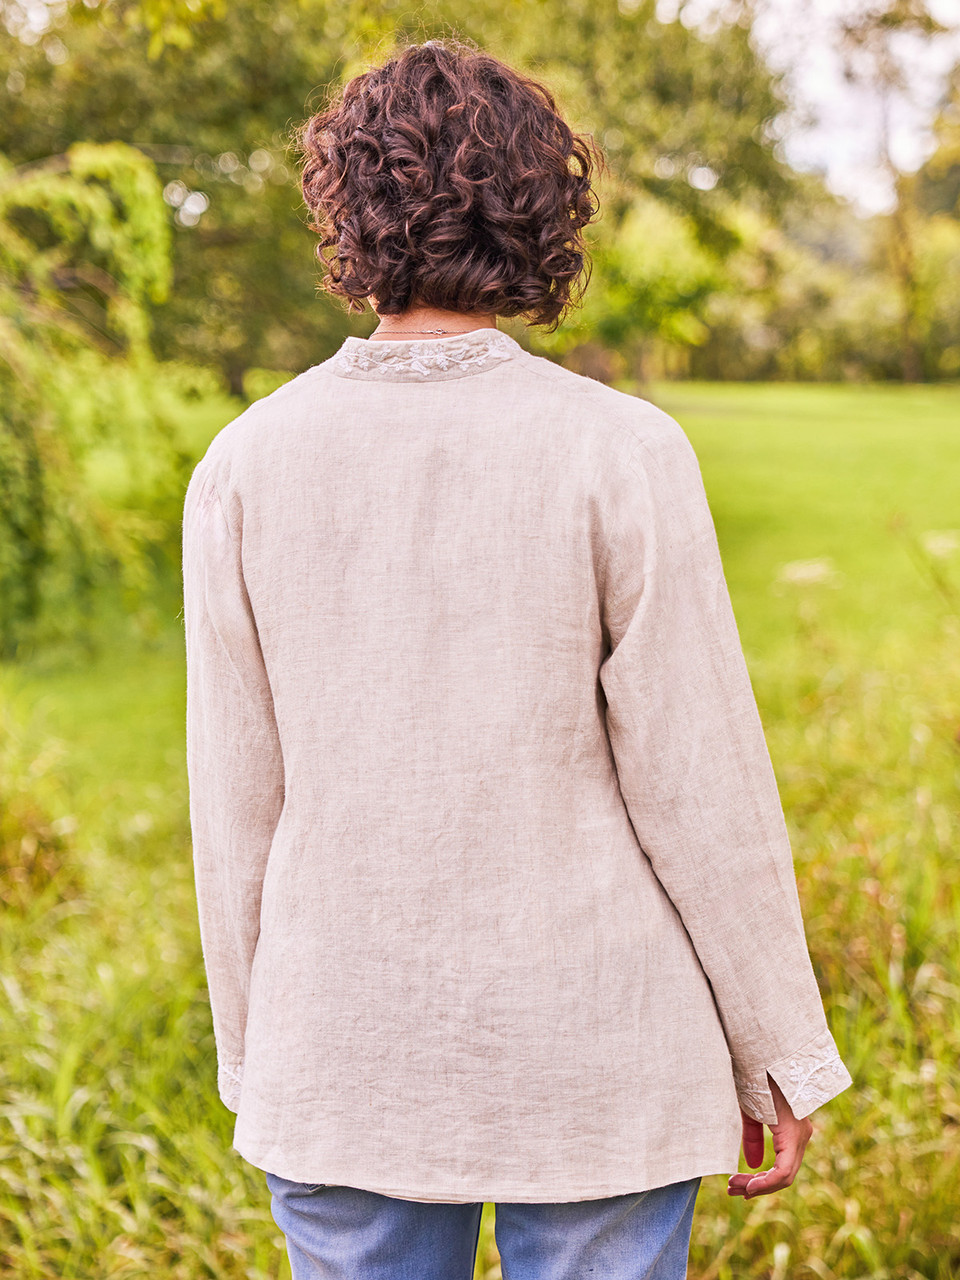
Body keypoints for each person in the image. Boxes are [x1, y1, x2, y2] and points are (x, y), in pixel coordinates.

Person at [181, 36, 852, 1280]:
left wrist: (258, 1054)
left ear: (347, 213)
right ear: (540, 213)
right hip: (601, 1047)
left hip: (344, 1048)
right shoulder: (620, 451)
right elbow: (700, 783)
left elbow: (236, 807)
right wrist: (779, 1048)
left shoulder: (245, 465)